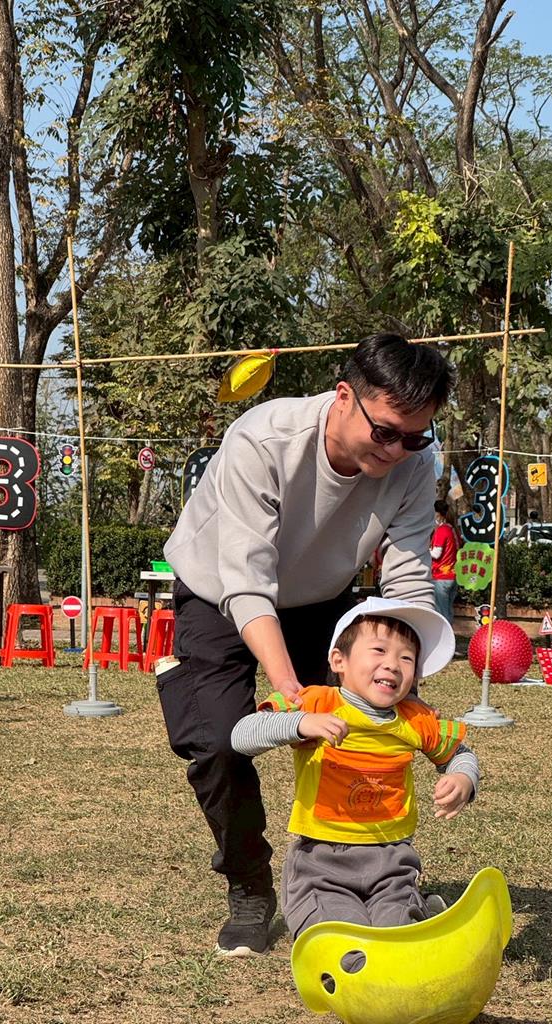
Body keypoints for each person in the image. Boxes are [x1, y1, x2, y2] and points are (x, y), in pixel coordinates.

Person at [159, 333, 455, 956]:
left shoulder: (413, 464)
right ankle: (249, 883)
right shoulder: (263, 439)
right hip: (220, 594)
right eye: (385, 432)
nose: (397, 450)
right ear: (345, 397)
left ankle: (360, 878)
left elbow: (407, 581)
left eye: (415, 437)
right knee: (219, 742)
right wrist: (290, 690)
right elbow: (246, 583)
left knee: (362, 729)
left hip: (322, 599)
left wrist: (406, 683)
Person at [231, 597, 479, 938]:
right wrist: (301, 723)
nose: (392, 664)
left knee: (397, 934)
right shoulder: (316, 702)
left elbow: (460, 754)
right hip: (321, 862)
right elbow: (241, 735)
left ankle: (414, 912)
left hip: (392, 861)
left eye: (406, 658)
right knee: (341, 935)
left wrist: (463, 776)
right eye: (379, 650)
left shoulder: (416, 719)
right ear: (339, 660)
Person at [430, 499, 461, 624]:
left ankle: (445, 635)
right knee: (448, 611)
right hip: (452, 576)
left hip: (441, 577)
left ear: (437, 513)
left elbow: (436, 554)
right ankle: (450, 634)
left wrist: (424, 550)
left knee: (441, 613)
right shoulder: (453, 530)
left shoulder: (442, 530)